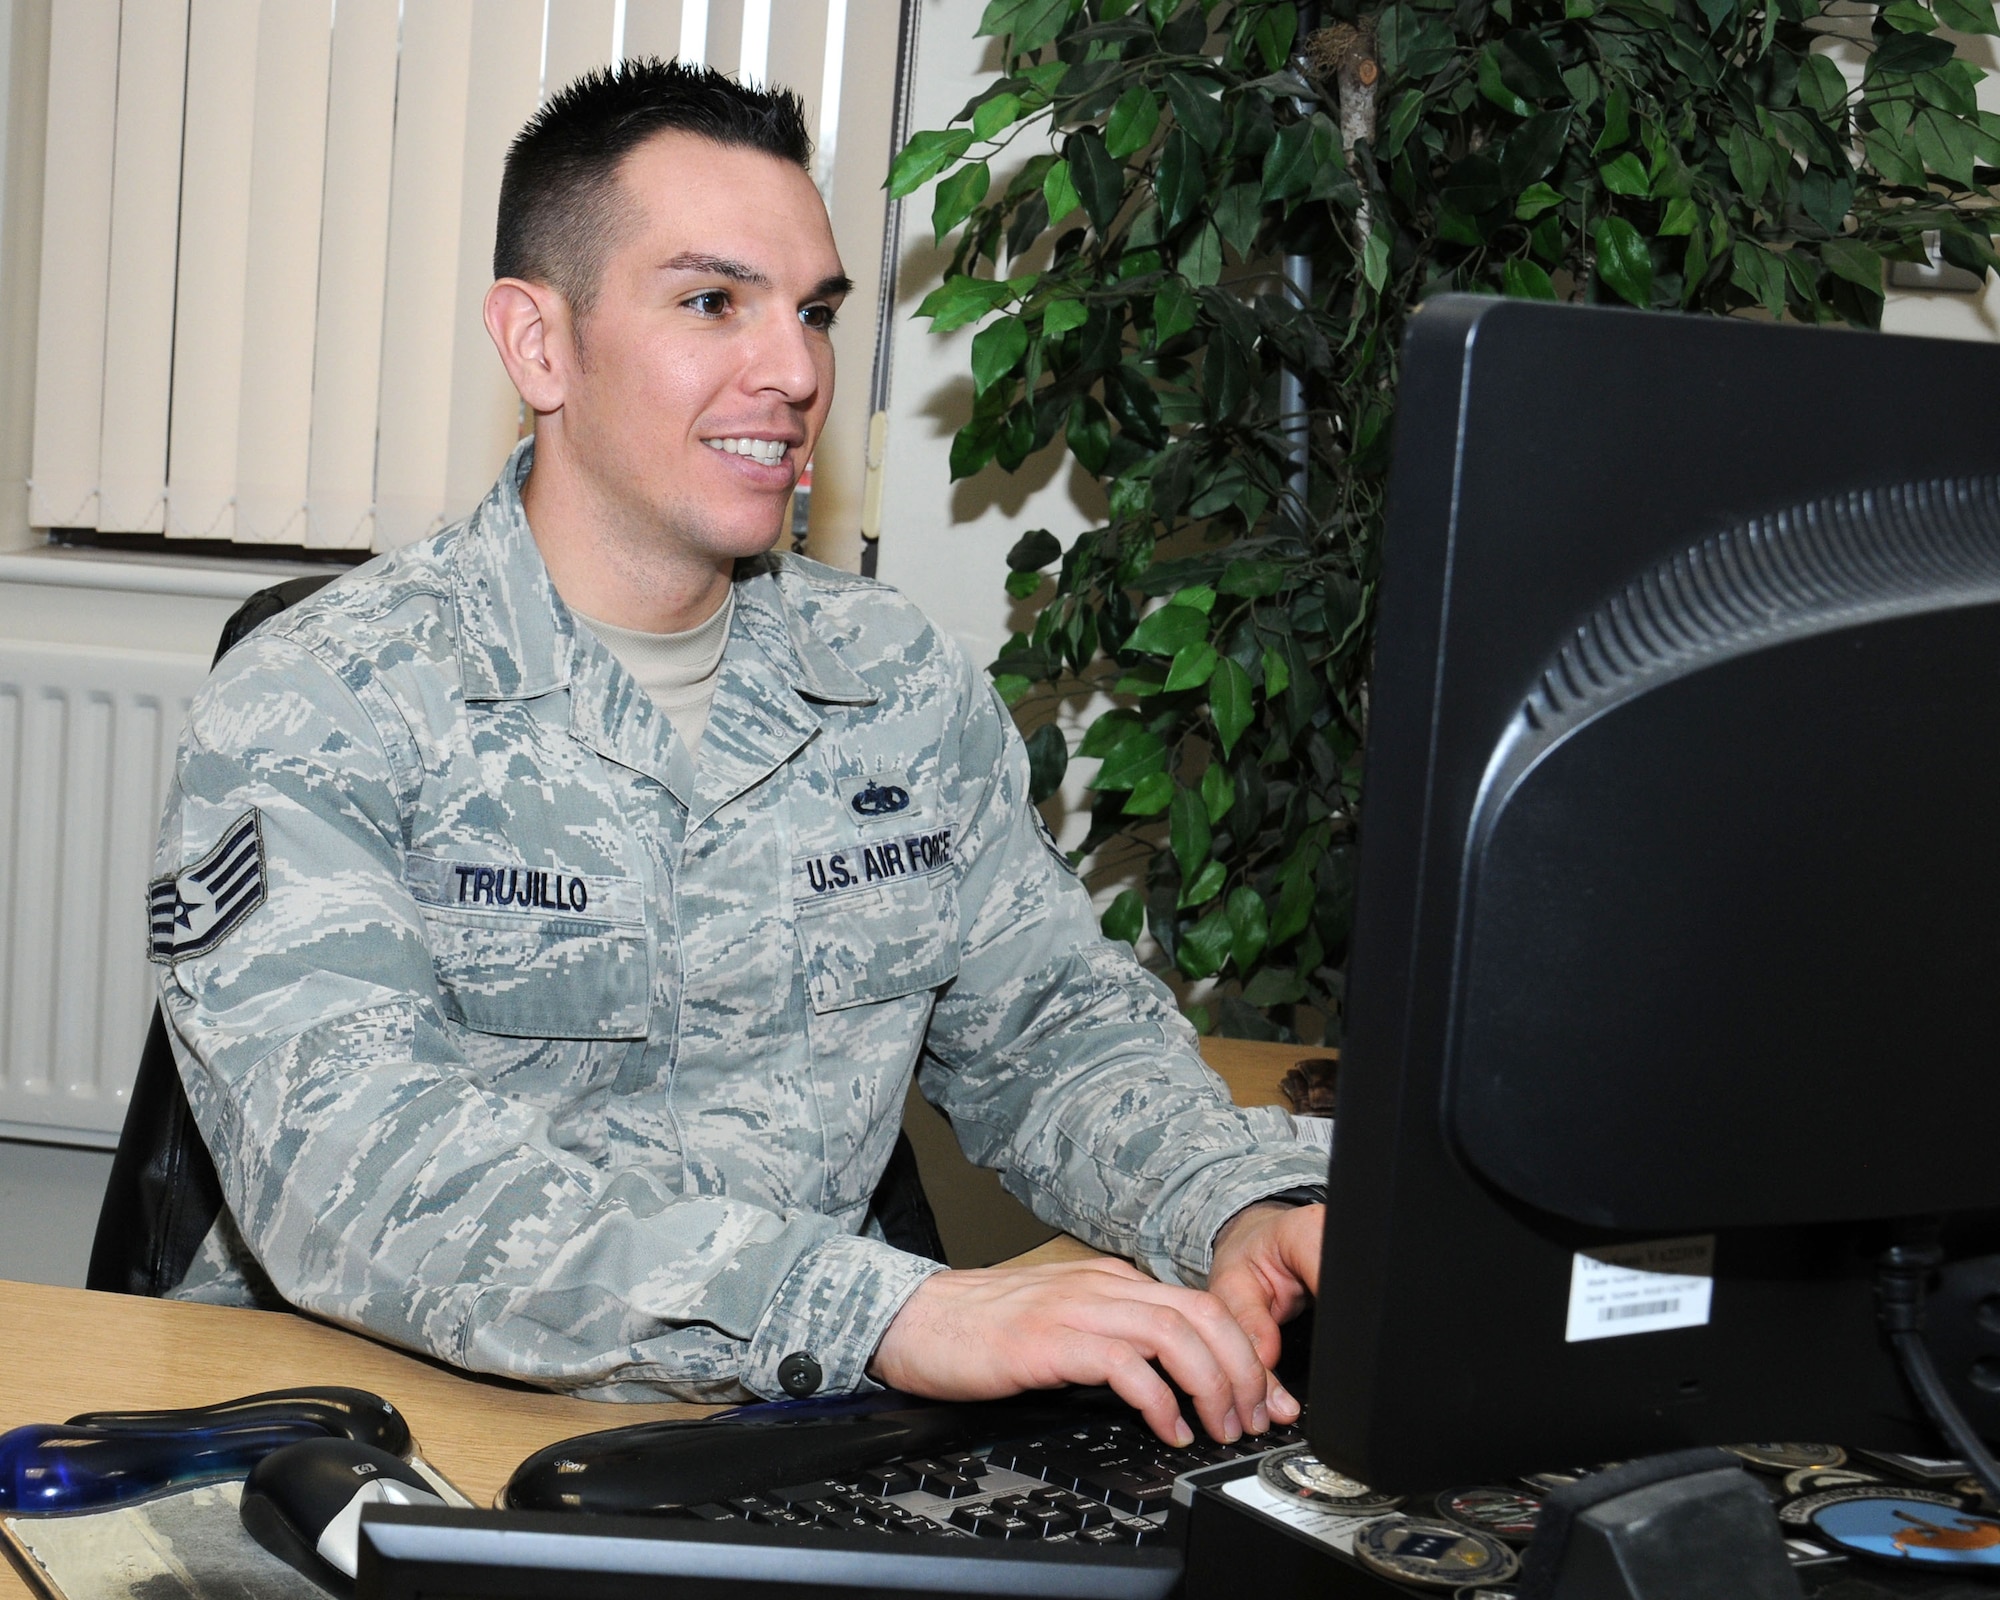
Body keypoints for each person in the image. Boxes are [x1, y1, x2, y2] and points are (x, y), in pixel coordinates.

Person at [148, 61, 1327, 1451]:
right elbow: (360, 1181)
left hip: (785, 1434)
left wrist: (1231, 1201)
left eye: (814, 311)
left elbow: (1049, 1032)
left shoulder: (892, 680)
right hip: (392, 1434)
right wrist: (888, 1315)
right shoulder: (323, 699)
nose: (797, 371)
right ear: (540, 345)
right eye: (715, 302)